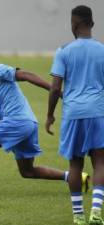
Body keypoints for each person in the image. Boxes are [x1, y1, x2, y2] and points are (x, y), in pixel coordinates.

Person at [0, 49, 89, 199]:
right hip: (27, 125)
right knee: (27, 171)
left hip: (18, 121)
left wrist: (57, 91)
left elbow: (26, 75)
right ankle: (74, 177)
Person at [46, 5, 104, 225]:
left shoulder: (64, 50)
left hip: (73, 114)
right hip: (98, 113)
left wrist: (50, 115)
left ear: (74, 24)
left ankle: (78, 216)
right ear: (92, 24)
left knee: (75, 165)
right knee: (100, 162)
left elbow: (54, 87)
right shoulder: (102, 50)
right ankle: (96, 212)